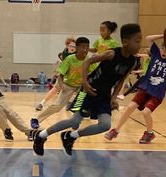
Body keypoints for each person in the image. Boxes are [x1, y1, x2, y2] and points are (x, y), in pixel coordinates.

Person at [31, 23, 142, 156]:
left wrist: (113, 98)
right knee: (74, 121)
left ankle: (71, 136)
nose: (140, 44)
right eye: (137, 41)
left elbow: (121, 81)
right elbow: (87, 62)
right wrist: (84, 82)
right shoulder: (111, 54)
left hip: (104, 96)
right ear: (125, 42)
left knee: (105, 125)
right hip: (87, 91)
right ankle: (41, 136)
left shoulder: (132, 62)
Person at [105, 28, 166, 144]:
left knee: (146, 112)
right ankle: (115, 130)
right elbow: (148, 38)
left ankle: (149, 133)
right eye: (162, 49)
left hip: (157, 93)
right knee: (130, 107)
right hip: (145, 88)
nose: (164, 52)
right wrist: (163, 36)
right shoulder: (155, 53)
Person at [30, 37, 90, 130]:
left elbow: (93, 73)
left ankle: (76, 120)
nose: (85, 49)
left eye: (87, 47)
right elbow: (61, 74)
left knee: (81, 104)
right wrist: (61, 85)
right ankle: (36, 119)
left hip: (81, 86)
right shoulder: (69, 59)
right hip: (69, 85)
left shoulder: (89, 60)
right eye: (83, 47)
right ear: (77, 48)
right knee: (57, 107)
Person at [35, 37, 76, 111]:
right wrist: (58, 72)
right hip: (65, 74)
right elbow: (64, 66)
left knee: (76, 90)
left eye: (74, 46)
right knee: (55, 89)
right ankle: (42, 103)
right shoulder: (65, 53)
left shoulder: (77, 54)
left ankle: (71, 103)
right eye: (71, 46)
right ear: (67, 46)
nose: (72, 48)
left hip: (74, 76)